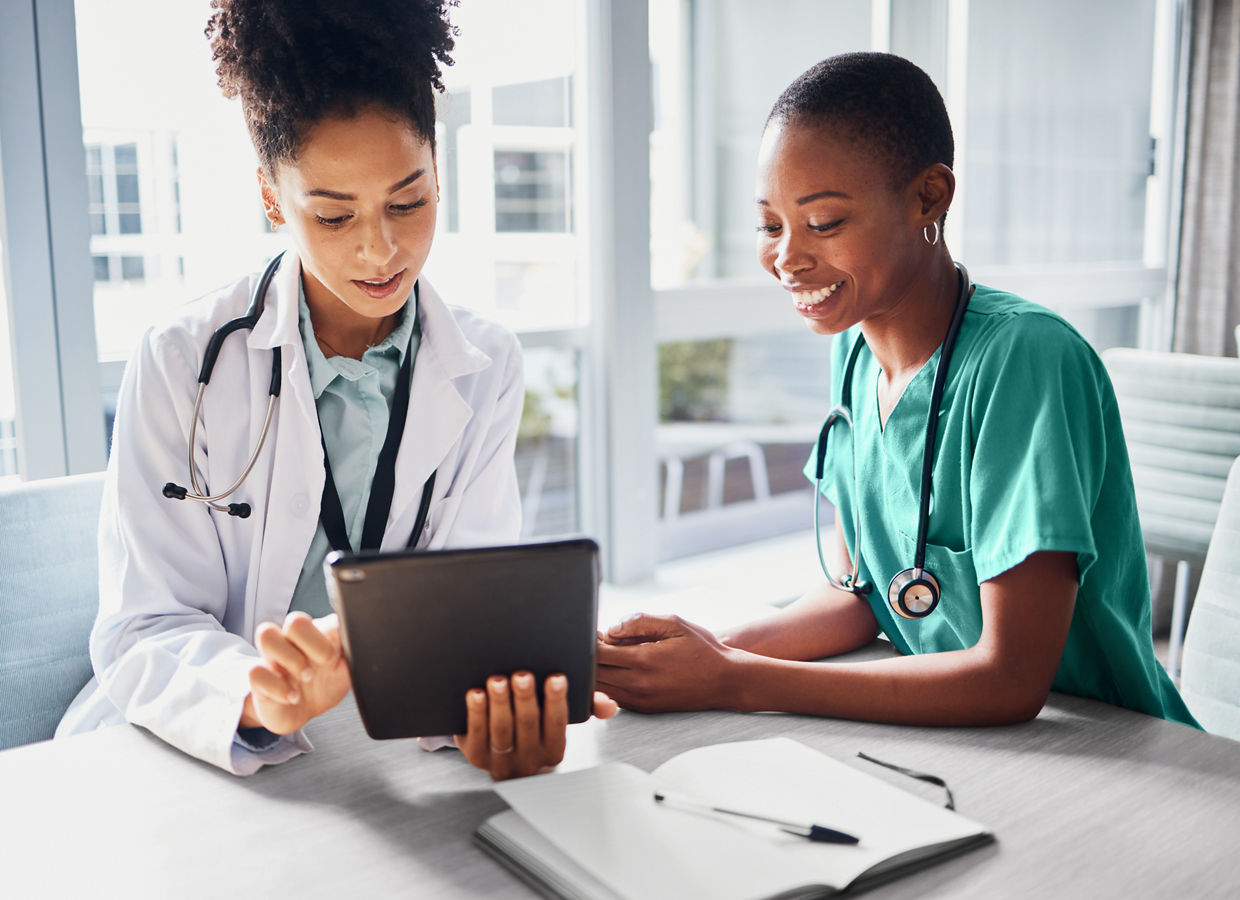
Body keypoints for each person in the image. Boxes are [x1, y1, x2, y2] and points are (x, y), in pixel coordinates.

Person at [58, 0, 614, 778]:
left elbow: (470, 603)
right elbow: (143, 629)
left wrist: (495, 706)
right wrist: (257, 696)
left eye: (408, 201)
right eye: (330, 214)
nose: (379, 248)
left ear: (438, 172)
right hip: (187, 747)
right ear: (269, 197)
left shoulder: (484, 362)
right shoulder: (184, 357)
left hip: (374, 756)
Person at [597, 52, 1197, 729]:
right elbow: (863, 596)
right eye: (771, 225)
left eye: (822, 223)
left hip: (1105, 743)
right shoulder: (853, 353)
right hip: (956, 732)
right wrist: (702, 653)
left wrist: (735, 681)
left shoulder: (1027, 360)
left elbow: (1011, 679)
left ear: (927, 198)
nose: (787, 257)